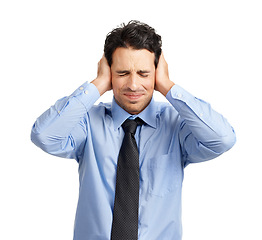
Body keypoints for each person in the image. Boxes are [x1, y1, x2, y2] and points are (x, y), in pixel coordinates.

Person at [31, 20, 236, 240]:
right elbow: (44, 135)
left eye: (143, 73)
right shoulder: (87, 123)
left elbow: (222, 139)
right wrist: (97, 84)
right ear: (109, 71)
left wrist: (167, 86)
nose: (133, 85)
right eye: (122, 73)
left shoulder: (176, 125)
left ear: (156, 72)